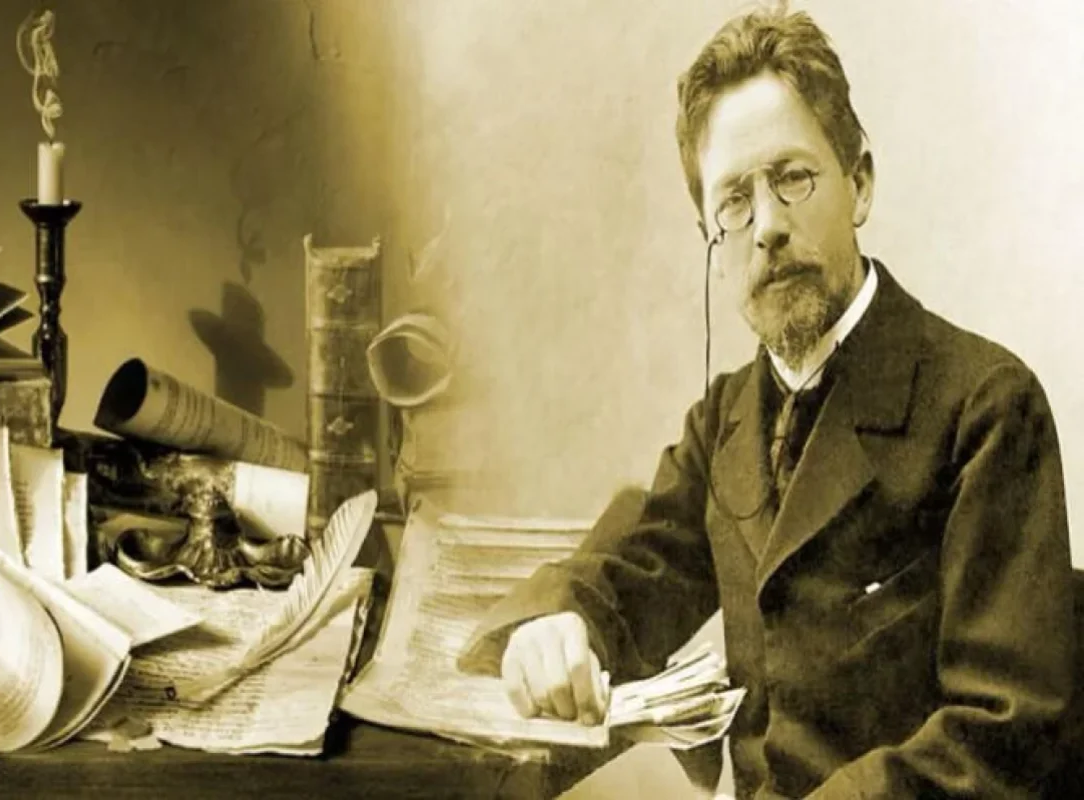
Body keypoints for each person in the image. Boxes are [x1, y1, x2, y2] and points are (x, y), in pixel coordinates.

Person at [457, 6, 1077, 798]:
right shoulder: (725, 420)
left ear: (859, 183)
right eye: (735, 201)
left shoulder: (985, 407)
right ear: (711, 235)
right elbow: (637, 570)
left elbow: (1007, 734)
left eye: (792, 178)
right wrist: (562, 622)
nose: (768, 227)